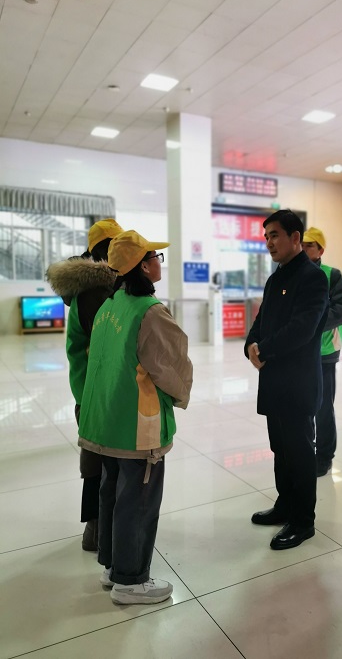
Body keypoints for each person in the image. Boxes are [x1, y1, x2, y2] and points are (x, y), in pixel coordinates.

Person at [78, 230, 193, 605]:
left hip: (107, 421)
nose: (159, 262)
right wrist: (181, 394)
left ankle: (113, 567)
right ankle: (131, 581)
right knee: (139, 500)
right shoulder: (149, 311)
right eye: (155, 257)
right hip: (136, 426)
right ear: (143, 266)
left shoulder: (109, 306)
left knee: (112, 492)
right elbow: (171, 365)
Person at [245, 209, 328, 550]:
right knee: (280, 447)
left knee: (300, 451)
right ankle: (285, 504)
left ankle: (303, 520)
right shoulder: (275, 278)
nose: (269, 242)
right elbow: (261, 320)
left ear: (295, 238)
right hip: (274, 380)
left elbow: (302, 329)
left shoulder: (312, 278)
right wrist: (251, 344)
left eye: (275, 235)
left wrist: (263, 349)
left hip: (297, 383)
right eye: (266, 237)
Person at [46, 218, 123, 551]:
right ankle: (98, 529)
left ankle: (97, 527)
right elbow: (111, 341)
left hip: (87, 386)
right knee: (102, 458)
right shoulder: (97, 291)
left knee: (96, 455)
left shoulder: (91, 288)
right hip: (100, 389)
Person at [301, 227, 342, 476]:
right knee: (302, 406)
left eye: (309, 245)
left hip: (324, 353)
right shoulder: (292, 274)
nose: (303, 249)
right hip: (299, 354)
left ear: (320, 250)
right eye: (302, 245)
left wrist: (312, 323)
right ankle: (305, 451)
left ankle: (324, 457)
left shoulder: (332, 275)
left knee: (323, 408)